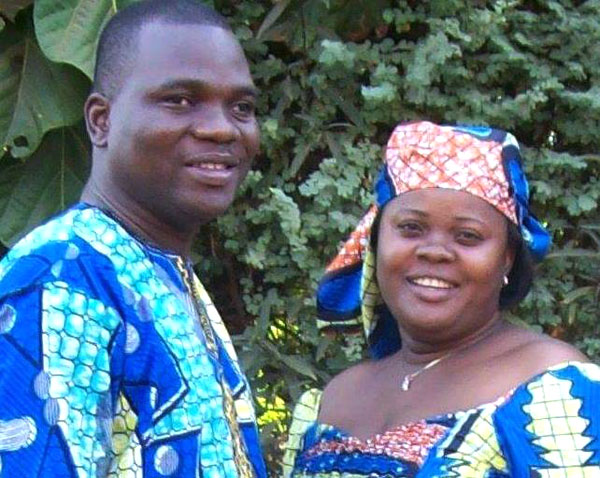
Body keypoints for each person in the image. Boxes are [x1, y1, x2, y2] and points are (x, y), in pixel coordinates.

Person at [0, 1, 267, 477]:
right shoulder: (61, 277)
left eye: (241, 107)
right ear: (101, 121)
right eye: (180, 100)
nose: (222, 128)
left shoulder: (157, 272)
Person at [283, 121, 600, 477]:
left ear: (507, 257)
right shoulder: (333, 399)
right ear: (375, 244)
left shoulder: (553, 387)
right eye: (411, 228)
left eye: (467, 236)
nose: (434, 252)